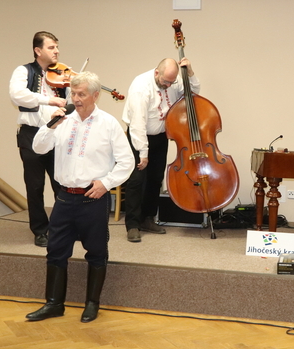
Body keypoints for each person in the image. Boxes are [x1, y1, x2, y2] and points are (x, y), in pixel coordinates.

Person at [25, 72, 133, 323]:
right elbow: (38, 148)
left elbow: (127, 162)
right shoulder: (62, 120)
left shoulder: (109, 124)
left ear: (95, 96)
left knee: (96, 251)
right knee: (55, 250)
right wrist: (51, 125)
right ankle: (54, 304)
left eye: (82, 94)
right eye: (73, 93)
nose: (76, 98)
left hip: (92, 198)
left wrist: (106, 183)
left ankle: (92, 304)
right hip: (64, 197)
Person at [121, 57, 199, 242]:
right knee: (136, 180)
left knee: (155, 179)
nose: (169, 85)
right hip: (139, 136)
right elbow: (138, 124)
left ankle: (148, 218)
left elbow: (193, 93)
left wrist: (190, 73)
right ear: (157, 73)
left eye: (171, 82)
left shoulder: (172, 79)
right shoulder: (141, 87)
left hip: (161, 136)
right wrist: (143, 153)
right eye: (166, 82)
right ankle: (132, 225)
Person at [9, 31, 68, 247]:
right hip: (31, 134)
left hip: (56, 134)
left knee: (61, 184)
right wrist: (48, 100)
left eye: (57, 47)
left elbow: (70, 102)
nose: (57, 51)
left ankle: (61, 227)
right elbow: (17, 95)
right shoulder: (24, 71)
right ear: (38, 50)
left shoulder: (61, 74)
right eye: (51, 47)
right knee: (35, 187)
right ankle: (40, 230)